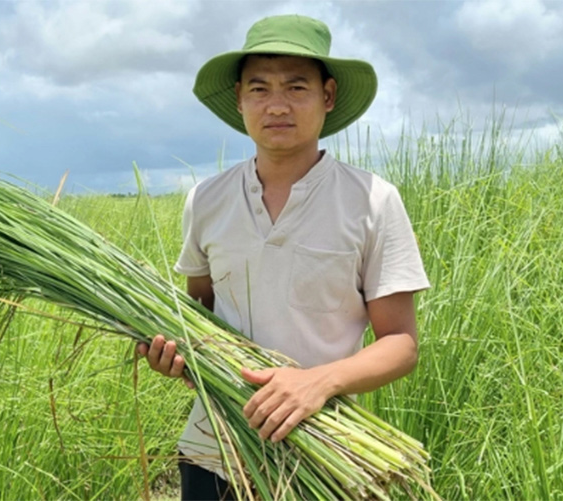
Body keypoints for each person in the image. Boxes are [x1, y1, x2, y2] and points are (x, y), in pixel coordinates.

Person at [137, 14, 430, 501]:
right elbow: (200, 320)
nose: (277, 105)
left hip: (324, 455)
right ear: (239, 99)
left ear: (328, 96)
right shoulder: (206, 201)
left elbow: (401, 343)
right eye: (259, 89)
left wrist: (318, 382)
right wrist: (172, 355)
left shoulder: (373, 200)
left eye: (296, 88)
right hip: (213, 451)